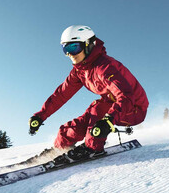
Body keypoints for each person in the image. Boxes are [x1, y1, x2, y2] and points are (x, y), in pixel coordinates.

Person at [28, 25, 148, 161]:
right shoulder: (80, 71)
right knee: (75, 127)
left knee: (97, 109)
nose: (70, 54)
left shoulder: (105, 67)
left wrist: (109, 120)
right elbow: (61, 95)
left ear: (89, 45)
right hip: (110, 104)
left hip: (133, 108)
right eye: (65, 49)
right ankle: (58, 149)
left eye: (74, 48)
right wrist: (40, 116)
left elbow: (125, 96)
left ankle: (92, 148)